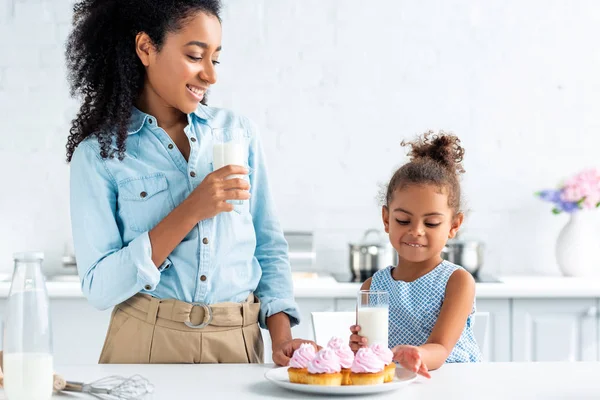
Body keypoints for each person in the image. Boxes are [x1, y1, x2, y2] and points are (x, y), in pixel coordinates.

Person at [65, 0, 315, 365]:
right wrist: (191, 211)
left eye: (215, 59)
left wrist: (281, 338)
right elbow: (100, 288)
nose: (210, 75)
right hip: (144, 340)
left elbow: (268, 247)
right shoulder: (99, 156)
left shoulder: (237, 133)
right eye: (196, 56)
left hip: (237, 342)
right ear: (146, 48)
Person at [349, 131, 482, 378]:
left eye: (431, 223)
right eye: (403, 220)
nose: (416, 231)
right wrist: (359, 349)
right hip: (395, 386)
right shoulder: (372, 287)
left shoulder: (457, 282)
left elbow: (441, 348)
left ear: (454, 226)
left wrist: (417, 355)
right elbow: (373, 354)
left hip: (453, 384)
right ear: (386, 219)